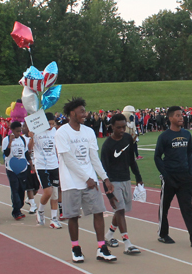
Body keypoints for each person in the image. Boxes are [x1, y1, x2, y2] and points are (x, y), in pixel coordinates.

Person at [55, 97, 118, 263]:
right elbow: (68, 159)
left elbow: (93, 158)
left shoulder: (89, 132)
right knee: (73, 216)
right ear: (71, 113)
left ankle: (101, 247)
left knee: (98, 211)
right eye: (81, 111)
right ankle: (75, 248)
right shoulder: (62, 132)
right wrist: (86, 178)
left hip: (90, 181)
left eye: (85, 110)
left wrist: (104, 178)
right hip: (71, 182)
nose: (85, 114)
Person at [154, 106, 192, 247]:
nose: (180, 117)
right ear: (170, 118)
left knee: (187, 207)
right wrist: (165, 174)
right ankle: (163, 234)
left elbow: (189, 154)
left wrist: (190, 172)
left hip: (185, 177)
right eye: (177, 115)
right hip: (170, 176)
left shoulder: (187, 135)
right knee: (164, 207)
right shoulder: (164, 136)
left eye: (181, 115)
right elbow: (157, 157)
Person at [102, 113, 143, 254]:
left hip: (126, 179)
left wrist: (138, 177)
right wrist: (109, 195)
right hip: (113, 182)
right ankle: (127, 243)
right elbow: (103, 172)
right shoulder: (107, 146)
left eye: (123, 127)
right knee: (119, 210)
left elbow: (132, 160)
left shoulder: (127, 139)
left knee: (121, 210)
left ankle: (108, 236)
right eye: (118, 127)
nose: (121, 130)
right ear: (112, 127)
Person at [32, 113, 62, 229]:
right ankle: (40, 211)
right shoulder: (36, 132)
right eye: (49, 123)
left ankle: (54, 219)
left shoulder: (54, 131)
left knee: (55, 193)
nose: (51, 126)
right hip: (41, 165)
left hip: (53, 165)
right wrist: (31, 137)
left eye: (52, 123)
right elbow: (30, 148)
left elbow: (57, 147)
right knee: (48, 192)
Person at [2, 121, 32, 220]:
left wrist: (31, 164)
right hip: (11, 168)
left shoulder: (22, 139)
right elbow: (6, 153)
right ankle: (16, 211)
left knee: (21, 189)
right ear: (12, 130)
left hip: (22, 167)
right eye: (17, 131)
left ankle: (19, 207)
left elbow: (26, 153)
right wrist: (10, 142)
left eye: (20, 131)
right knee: (14, 188)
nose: (19, 133)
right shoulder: (6, 140)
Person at [22, 122, 39, 214]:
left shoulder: (36, 137)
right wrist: (31, 164)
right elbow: (27, 152)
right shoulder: (22, 139)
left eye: (26, 127)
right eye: (23, 126)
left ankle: (29, 199)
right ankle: (33, 205)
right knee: (29, 186)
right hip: (27, 164)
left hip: (37, 163)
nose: (23, 128)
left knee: (37, 186)